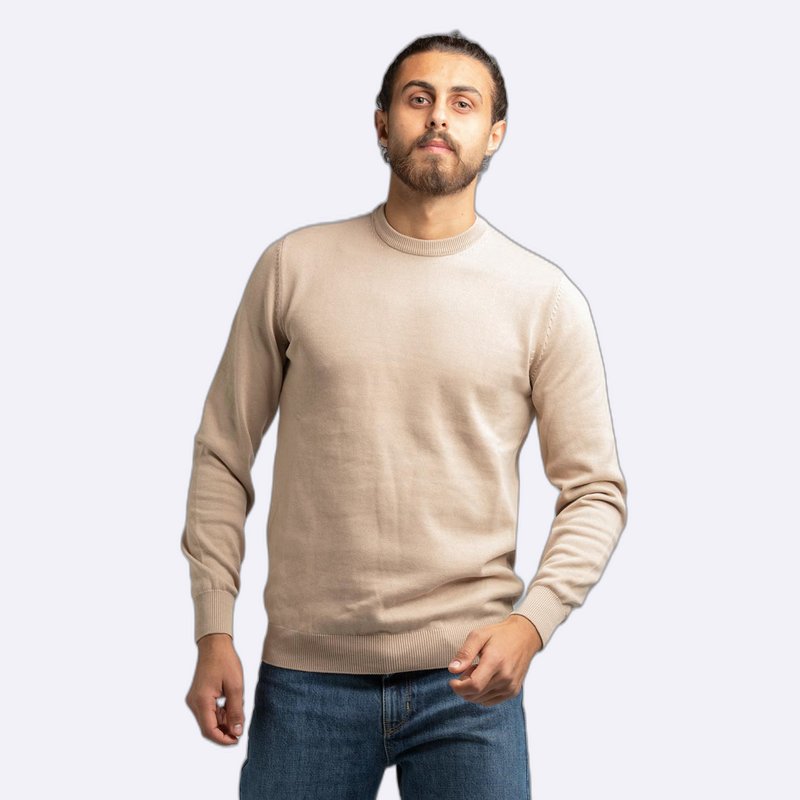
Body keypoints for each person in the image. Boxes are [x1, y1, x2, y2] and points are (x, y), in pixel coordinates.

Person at [181, 30, 627, 799]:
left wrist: (533, 623)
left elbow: (595, 491)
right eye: (419, 99)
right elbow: (223, 453)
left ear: (496, 133)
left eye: (463, 103)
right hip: (307, 679)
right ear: (383, 123)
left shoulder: (543, 300)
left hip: (469, 680)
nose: (439, 117)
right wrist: (212, 626)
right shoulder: (294, 268)